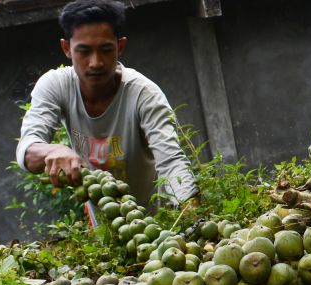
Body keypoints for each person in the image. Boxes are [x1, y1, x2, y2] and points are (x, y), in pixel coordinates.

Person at [16, 0, 199, 207]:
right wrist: (53, 150)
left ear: (120, 47)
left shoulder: (144, 95)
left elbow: (171, 161)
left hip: (158, 229)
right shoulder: (56, 86)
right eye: (84, 51)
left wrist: (191, 213)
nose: (95, 62)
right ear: (66, 48)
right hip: (105, 228)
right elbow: (28, 150)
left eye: (105, 49)